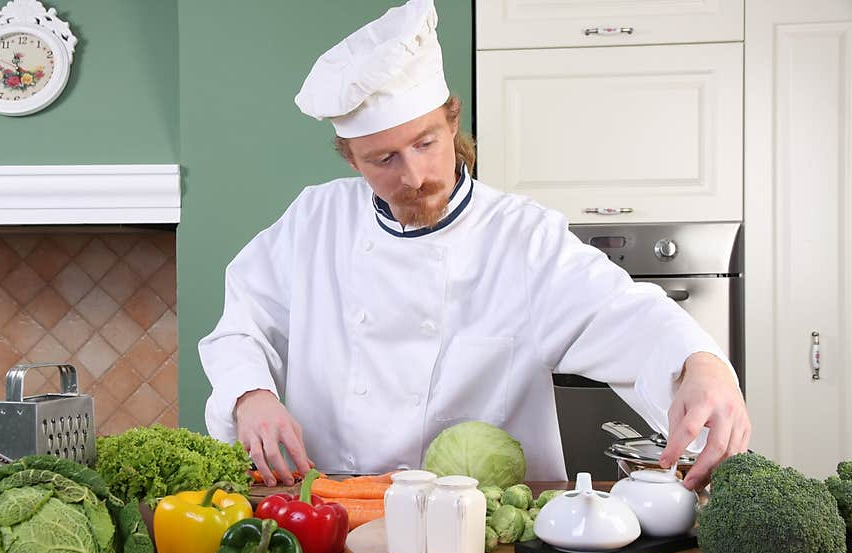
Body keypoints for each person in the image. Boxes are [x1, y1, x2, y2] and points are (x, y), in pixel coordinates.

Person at [199, 0, 750, 491]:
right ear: (350, 158)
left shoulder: (523, 239)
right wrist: (251, 397)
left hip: (483, 545)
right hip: (335, 526)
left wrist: (700, 363)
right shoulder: (314, 222)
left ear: (452, 119)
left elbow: (626, 314)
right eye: (383, 159)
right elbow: (240, 327)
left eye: (426, 143)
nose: (413, 176)